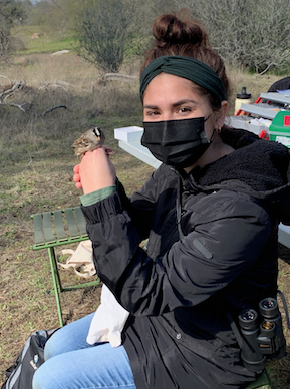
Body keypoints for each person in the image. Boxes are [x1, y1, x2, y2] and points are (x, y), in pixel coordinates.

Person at [33, 11, 290, 389]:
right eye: (154, 112)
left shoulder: (241, 207)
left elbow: (145, 291)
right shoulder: (178, 169)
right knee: (56, 347)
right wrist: (107, 190)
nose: (167, 124)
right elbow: (136, 221)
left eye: (184, 109)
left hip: (208, 352)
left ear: (219, 113)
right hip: (167, 317)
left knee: (51, 379)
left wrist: (102, 202)